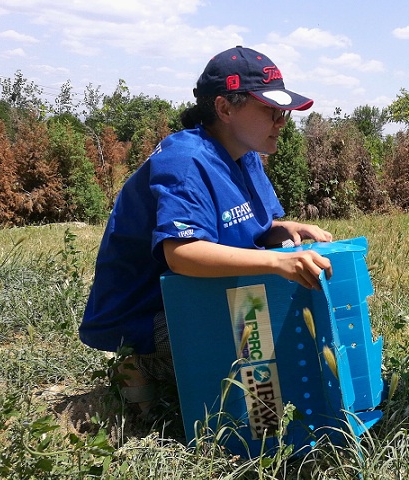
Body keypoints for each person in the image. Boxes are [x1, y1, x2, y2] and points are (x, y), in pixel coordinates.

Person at [79, 46, 333, 418]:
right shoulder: (185, 161)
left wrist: (283, 231)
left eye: (284, 112)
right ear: (225, 108)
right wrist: (278, 265)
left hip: (201, 292)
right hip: (150, 312)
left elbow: (248, 229)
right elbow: (181, 255)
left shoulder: (245, 156)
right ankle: (145, 365)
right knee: (261, 330)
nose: (282, 122)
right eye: (271, 110)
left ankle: (257, 410)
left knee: (274, 322)